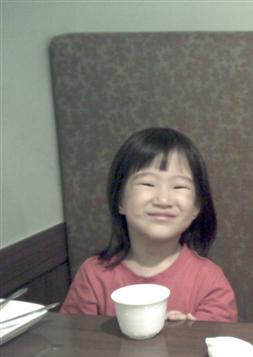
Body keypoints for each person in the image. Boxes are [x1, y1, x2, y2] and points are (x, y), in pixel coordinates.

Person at [61, 127, 238, 322]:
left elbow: (216, 339)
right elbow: (73, 337)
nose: (163, 199)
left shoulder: (210, 281)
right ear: (120, 200)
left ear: (196, 207)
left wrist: (187, 333)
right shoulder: (93, 275)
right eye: (148, 184)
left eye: (179, 186)